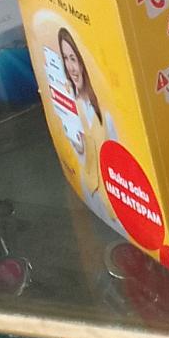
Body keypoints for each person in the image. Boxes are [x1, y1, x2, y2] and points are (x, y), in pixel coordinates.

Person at [58, 26, 115, 217]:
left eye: (73, 58)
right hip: (91, 199)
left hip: (117, 203)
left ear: (83, 62)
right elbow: (80, 152)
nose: (70, 67)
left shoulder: (104, 108)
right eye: (65, 59)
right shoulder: (71, 103)